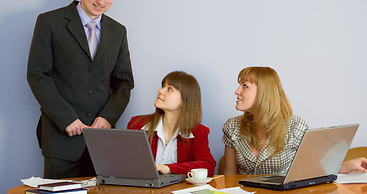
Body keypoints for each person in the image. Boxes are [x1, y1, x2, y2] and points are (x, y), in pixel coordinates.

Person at [27, 0, 134, 178]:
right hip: (61, 139)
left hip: (101, 142)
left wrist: (108, 117)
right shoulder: (49, 22)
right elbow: (37, 75)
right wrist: (65, 118)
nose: (102, 1)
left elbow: (124, 83)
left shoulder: (118, 31)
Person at [222, 66, 367, 175]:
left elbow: (313, 169)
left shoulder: (296, 127)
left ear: (263, 93)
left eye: (245, 86)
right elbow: (229, 177)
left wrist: (345, 166)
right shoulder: (232, 127)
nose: (237, 91)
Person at [127, 71, 216, 176]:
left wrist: (168, 168)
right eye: (163, 86)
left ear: (185, 100)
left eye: (170, 89)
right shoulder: (137, 124)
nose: (160, 91)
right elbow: (125, 162)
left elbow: (207, 166)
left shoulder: (199, 132)